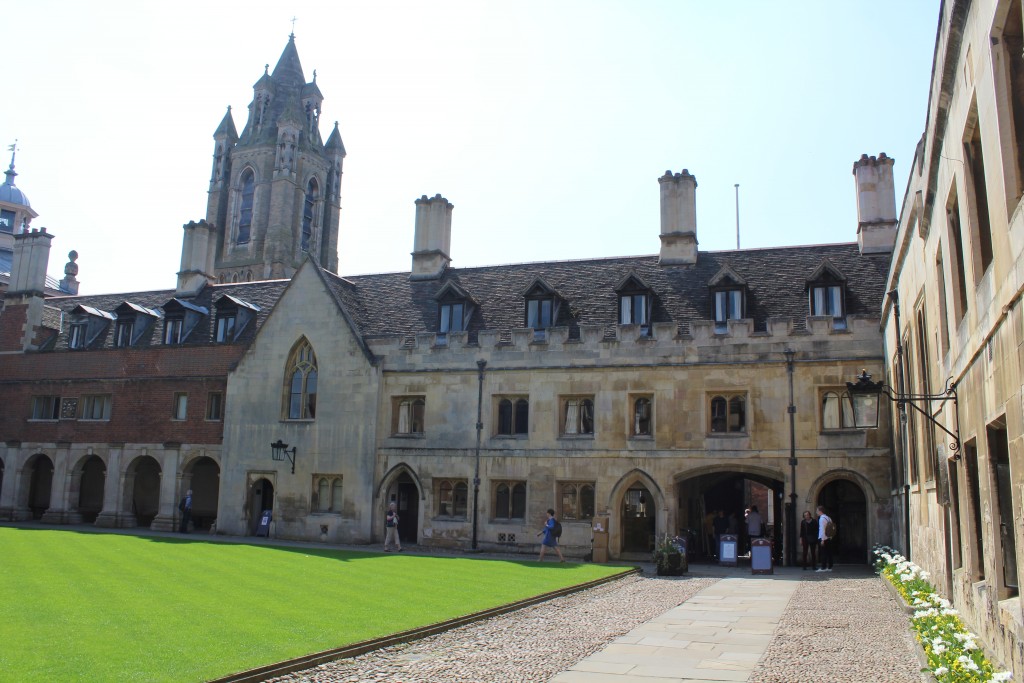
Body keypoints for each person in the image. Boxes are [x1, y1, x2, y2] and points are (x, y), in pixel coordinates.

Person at [816, 505, 834, 572]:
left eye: (817, 511)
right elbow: (831, 528)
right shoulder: (828, 518)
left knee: (823, 553)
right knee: (829, 553)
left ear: (820, 511)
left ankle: (823, 567)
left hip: (824, 538)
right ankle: (830, 567)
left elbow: (822, 530)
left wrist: (822, 540)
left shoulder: (822, 519)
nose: (816, 512)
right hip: (829, 537)